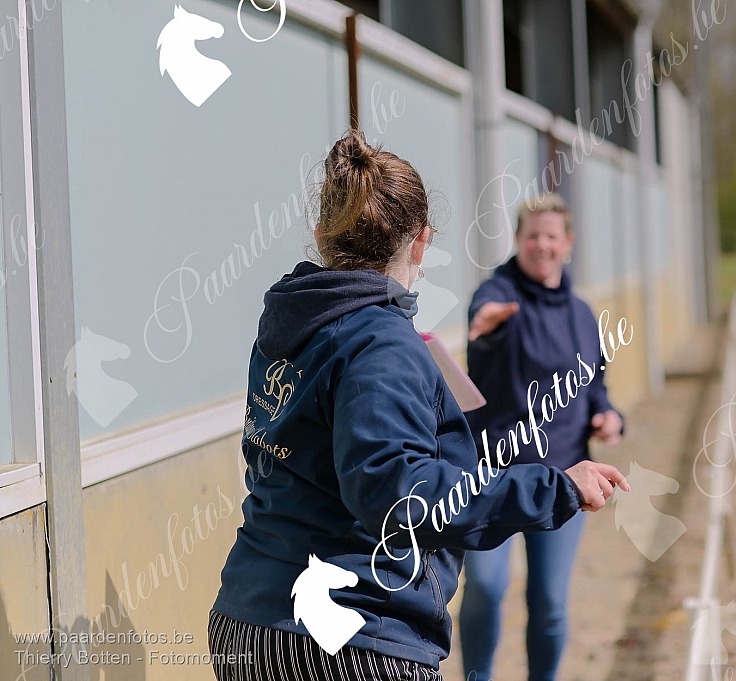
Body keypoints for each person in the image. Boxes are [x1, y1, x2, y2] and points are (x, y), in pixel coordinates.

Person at [208, 132, 628, 681]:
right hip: (348, 637)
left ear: (322, 234)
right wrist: (554, 487)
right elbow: (398, 493)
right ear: (422, 242)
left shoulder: (291, 323)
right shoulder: (380, 343)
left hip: (248, 619)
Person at [458, 193, 625, 681]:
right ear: (518, 239)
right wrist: (486, 326)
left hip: (564, 476)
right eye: (532, 235)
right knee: (485, 588)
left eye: (552, 236)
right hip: (492, 476)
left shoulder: (582, 315)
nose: (542, 245)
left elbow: (594, 387)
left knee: (549, 602)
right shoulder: (498, 296)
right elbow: (485, 318)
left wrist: (607, 415)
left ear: (568, 243)